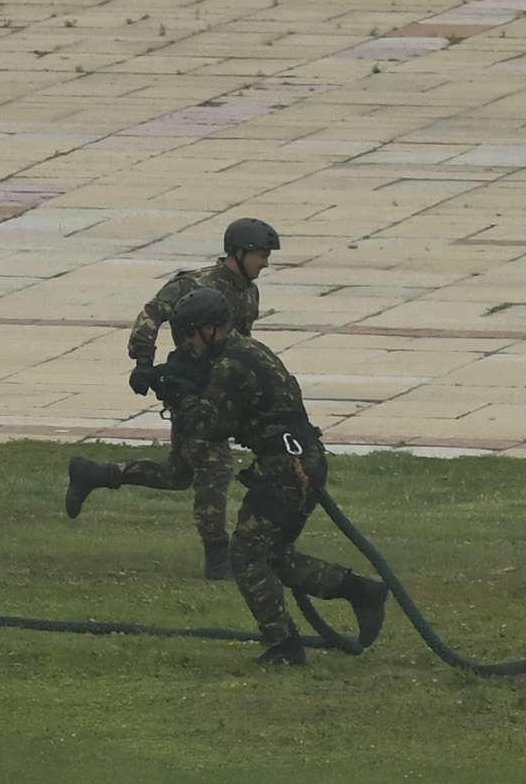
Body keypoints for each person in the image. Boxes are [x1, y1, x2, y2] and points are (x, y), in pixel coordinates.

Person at [157, 281, 385, 665]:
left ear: (210, 329)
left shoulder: (231, 365)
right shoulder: (245, 352)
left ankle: (285, 645)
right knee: (272, 556)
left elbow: (209, 425)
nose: (188, 343)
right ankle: (360, 591)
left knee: (245, 555)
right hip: (297, 461)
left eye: (190, 335)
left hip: (287, 468)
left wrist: (178, 393)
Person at [63, 217, 285, 558]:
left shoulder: (250, 292)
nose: (265, 263)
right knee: (216, 463)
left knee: (179, 474)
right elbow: (152, 314)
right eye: (261, 255)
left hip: (220, 386)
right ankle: (217, 556)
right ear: (238, 252)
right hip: (188, 385)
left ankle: (96, 473)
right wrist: (143, 363)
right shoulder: (196, 283)